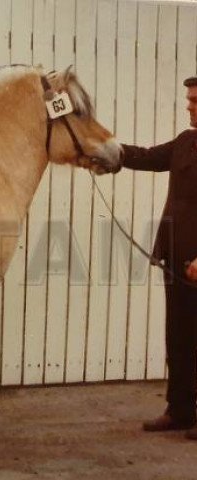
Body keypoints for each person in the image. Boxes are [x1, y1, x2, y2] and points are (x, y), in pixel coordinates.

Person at [121, 76, 197, 439]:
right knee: (178, 336)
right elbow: (149, 157)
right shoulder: (186, 141)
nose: (189, 105)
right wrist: (106, 151)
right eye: (189, 98)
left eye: (195, 100)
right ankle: (180, 410)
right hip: (177, 259)